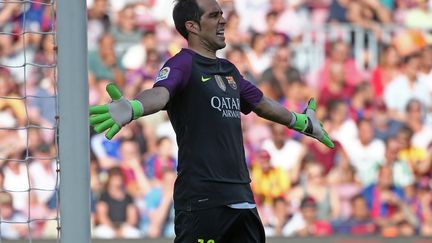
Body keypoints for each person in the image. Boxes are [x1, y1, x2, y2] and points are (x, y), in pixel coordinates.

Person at [89, 0, 333, 242]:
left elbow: (262, 104)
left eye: (222, 14)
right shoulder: (182, 64)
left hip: (241, 197)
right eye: (214, 15)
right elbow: (161, 93)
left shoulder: (229, 70)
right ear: (192, 26)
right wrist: (134, 107)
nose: (223, 20)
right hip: (202, 200)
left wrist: (301, 122)